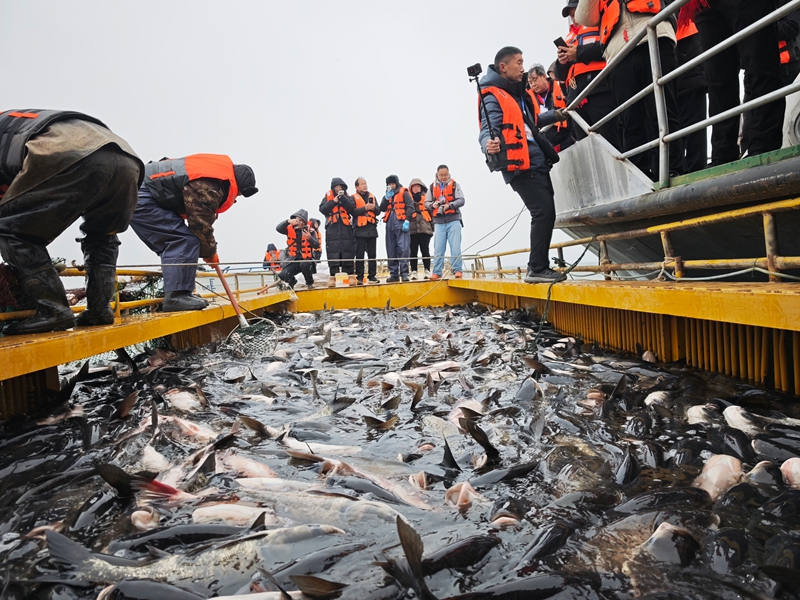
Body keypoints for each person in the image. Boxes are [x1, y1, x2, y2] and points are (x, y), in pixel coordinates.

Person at [0, 109, 144, 335]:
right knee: (102, 235)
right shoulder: (14, 122)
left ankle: (53, 311)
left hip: (67, 153)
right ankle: (99, 310)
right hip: (126, 159)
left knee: (10, 231)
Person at [478, 47, 566, 283]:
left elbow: (531, 121)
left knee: (547, 212)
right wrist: (488, 144)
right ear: (503, 67)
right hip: (520, 165)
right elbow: (488, 128)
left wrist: (557, 114)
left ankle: (538, 266)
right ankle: (537, 268)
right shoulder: (492, 95)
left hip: (536, 160)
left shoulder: (517, 94)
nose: (523, 67)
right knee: (542, 211)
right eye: (519, 62)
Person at [131, 154, 257, 312]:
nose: (236, 199)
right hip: (140, 195)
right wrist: (210, 253)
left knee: (184, 239)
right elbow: (200, 224)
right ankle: (176, 297)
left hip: (143, 190)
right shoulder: (211, 185)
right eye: (238, 194)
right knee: (182, 240)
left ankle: (182, 293)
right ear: (238, 186)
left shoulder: (212, 175)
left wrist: (209, 251)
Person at [576, 0, 683, 180]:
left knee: (663, 110)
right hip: (619, 52)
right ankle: (639, 176)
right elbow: (585, 17)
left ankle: (672, 169)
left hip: (655, 35)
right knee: (631, 121)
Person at [688, 1, 785, 165]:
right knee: (717, 81)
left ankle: (764, 142)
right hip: (704, 4)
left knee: (759, 62)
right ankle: (722, 152)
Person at [554, 0, 622, 151]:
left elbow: (609, 47)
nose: (573, 17)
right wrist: (561, 61)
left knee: (608, 139)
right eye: (571, 15)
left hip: (598, 89)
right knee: (586, 147)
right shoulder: (569, 37)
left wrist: (578, 53)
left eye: (575, 12)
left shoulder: (600, 25)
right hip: (575, 99)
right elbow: (559, 75)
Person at [675, 11, 708, 173]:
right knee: (677, 125)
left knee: (694, 124)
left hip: (687, 50)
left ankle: (695, 169)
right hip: (673, 51)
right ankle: (685, 169)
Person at [258, 209, 318, 292]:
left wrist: (310, 238)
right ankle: (292, 282)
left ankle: (309, 283)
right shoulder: (289, 229)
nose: (299, 222)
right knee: (282, 274)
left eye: (301, 220)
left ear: (305, 222)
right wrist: (288, 221)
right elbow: (278, 228)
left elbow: (316, 245)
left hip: (306, 260)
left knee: (305, 264)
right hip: (293, 260)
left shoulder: (310, 231)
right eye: (297, 220)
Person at [426, 166, 465, 280]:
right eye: (441, 175)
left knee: (455, 247)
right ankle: (437, 272)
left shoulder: (455, 185)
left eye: (445, 175)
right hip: (438, 222)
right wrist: (432, 205)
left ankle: (457, 270)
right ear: (437, 175)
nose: (443, 177)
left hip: (454, 219)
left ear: (448, 174)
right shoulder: (431, 187)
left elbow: (462, 200)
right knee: (438, 248)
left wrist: (450, 205)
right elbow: (426, 203)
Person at [528, 64, 574, 153]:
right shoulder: (528, 99)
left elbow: (572, 108)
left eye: (535, 79)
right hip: (547, 146)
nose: (533, 84)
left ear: (544, 76)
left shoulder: (560, 86)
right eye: (530, 82)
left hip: (567, 140)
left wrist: (573, 137)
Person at [319, 177, 356, 287]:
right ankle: (332, 277)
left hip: (346, 229)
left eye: (340, 187)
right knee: (332, 252)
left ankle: (351, 276)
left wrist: (342, 198)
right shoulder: (327, 197)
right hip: (332, 229)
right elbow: (322, 209)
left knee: (348, 250)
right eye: (336, 187)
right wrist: (333, 202)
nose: (338, 188)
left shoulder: (348, 197)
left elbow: (352, 209)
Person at [379, 175, 414, 283]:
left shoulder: (404, 192)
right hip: (390, 222)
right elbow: (382, 208)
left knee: (403, 248)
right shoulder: (387, 195)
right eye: (389, 184)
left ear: (396, 183)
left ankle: (404, 273)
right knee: (391, 248)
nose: (391, 186)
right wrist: (386, 198)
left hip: (401, 222)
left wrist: (407, 220)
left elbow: (410, 206)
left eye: (392, 184)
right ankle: (393, 274)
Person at [350, 177, 381, 285]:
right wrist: (365, 208)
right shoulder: (353, 197)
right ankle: (359, 277)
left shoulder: (372, 196)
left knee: (372, 254)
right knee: (359, 255)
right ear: (357, 187)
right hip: (359, 230)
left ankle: (372, 276)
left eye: (365, 183)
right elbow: (352, 211)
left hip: (372, 229)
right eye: (362, 184)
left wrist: (373, 208)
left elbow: (378, 211)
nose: (365, 185)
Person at [407, 178, 433, 280]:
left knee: (425, 250)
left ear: (421, 187)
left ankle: (427, 270)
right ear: (411, 188)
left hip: (425, 228)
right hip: (412, 229)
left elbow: (432, 213)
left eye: (418, 186)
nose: (416, 188)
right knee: (413, 251)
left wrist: (433, 227)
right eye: (414, 186)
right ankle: (414, 271)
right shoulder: (408, 198)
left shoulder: (427, 198)